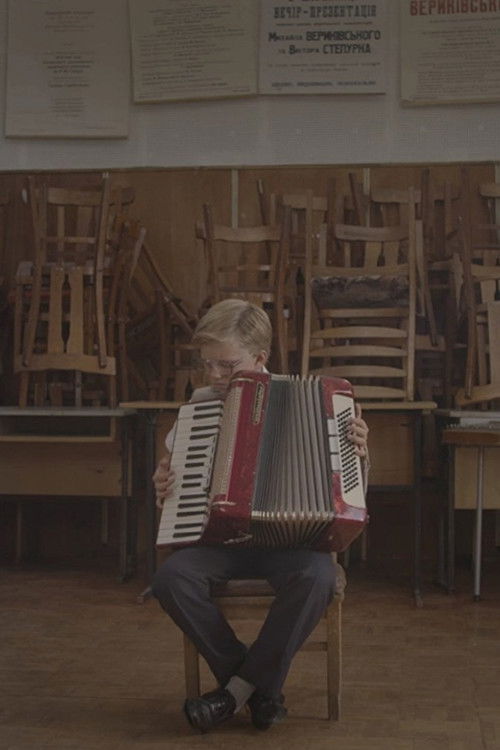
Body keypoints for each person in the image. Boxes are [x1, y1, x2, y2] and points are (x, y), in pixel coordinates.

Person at [152, 299, 369, 733]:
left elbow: (348, 490)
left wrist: (358, 455)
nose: (214, 376)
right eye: (207, 364)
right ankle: (259, 691)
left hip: (289, 543)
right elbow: (171, 474)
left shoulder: (317, 402)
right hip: (219, 542)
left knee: (319, 577)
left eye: (227, 365)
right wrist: (164, 484)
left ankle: (233, 693)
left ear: (260, 357)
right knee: (171, 578)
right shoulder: (200, 406)